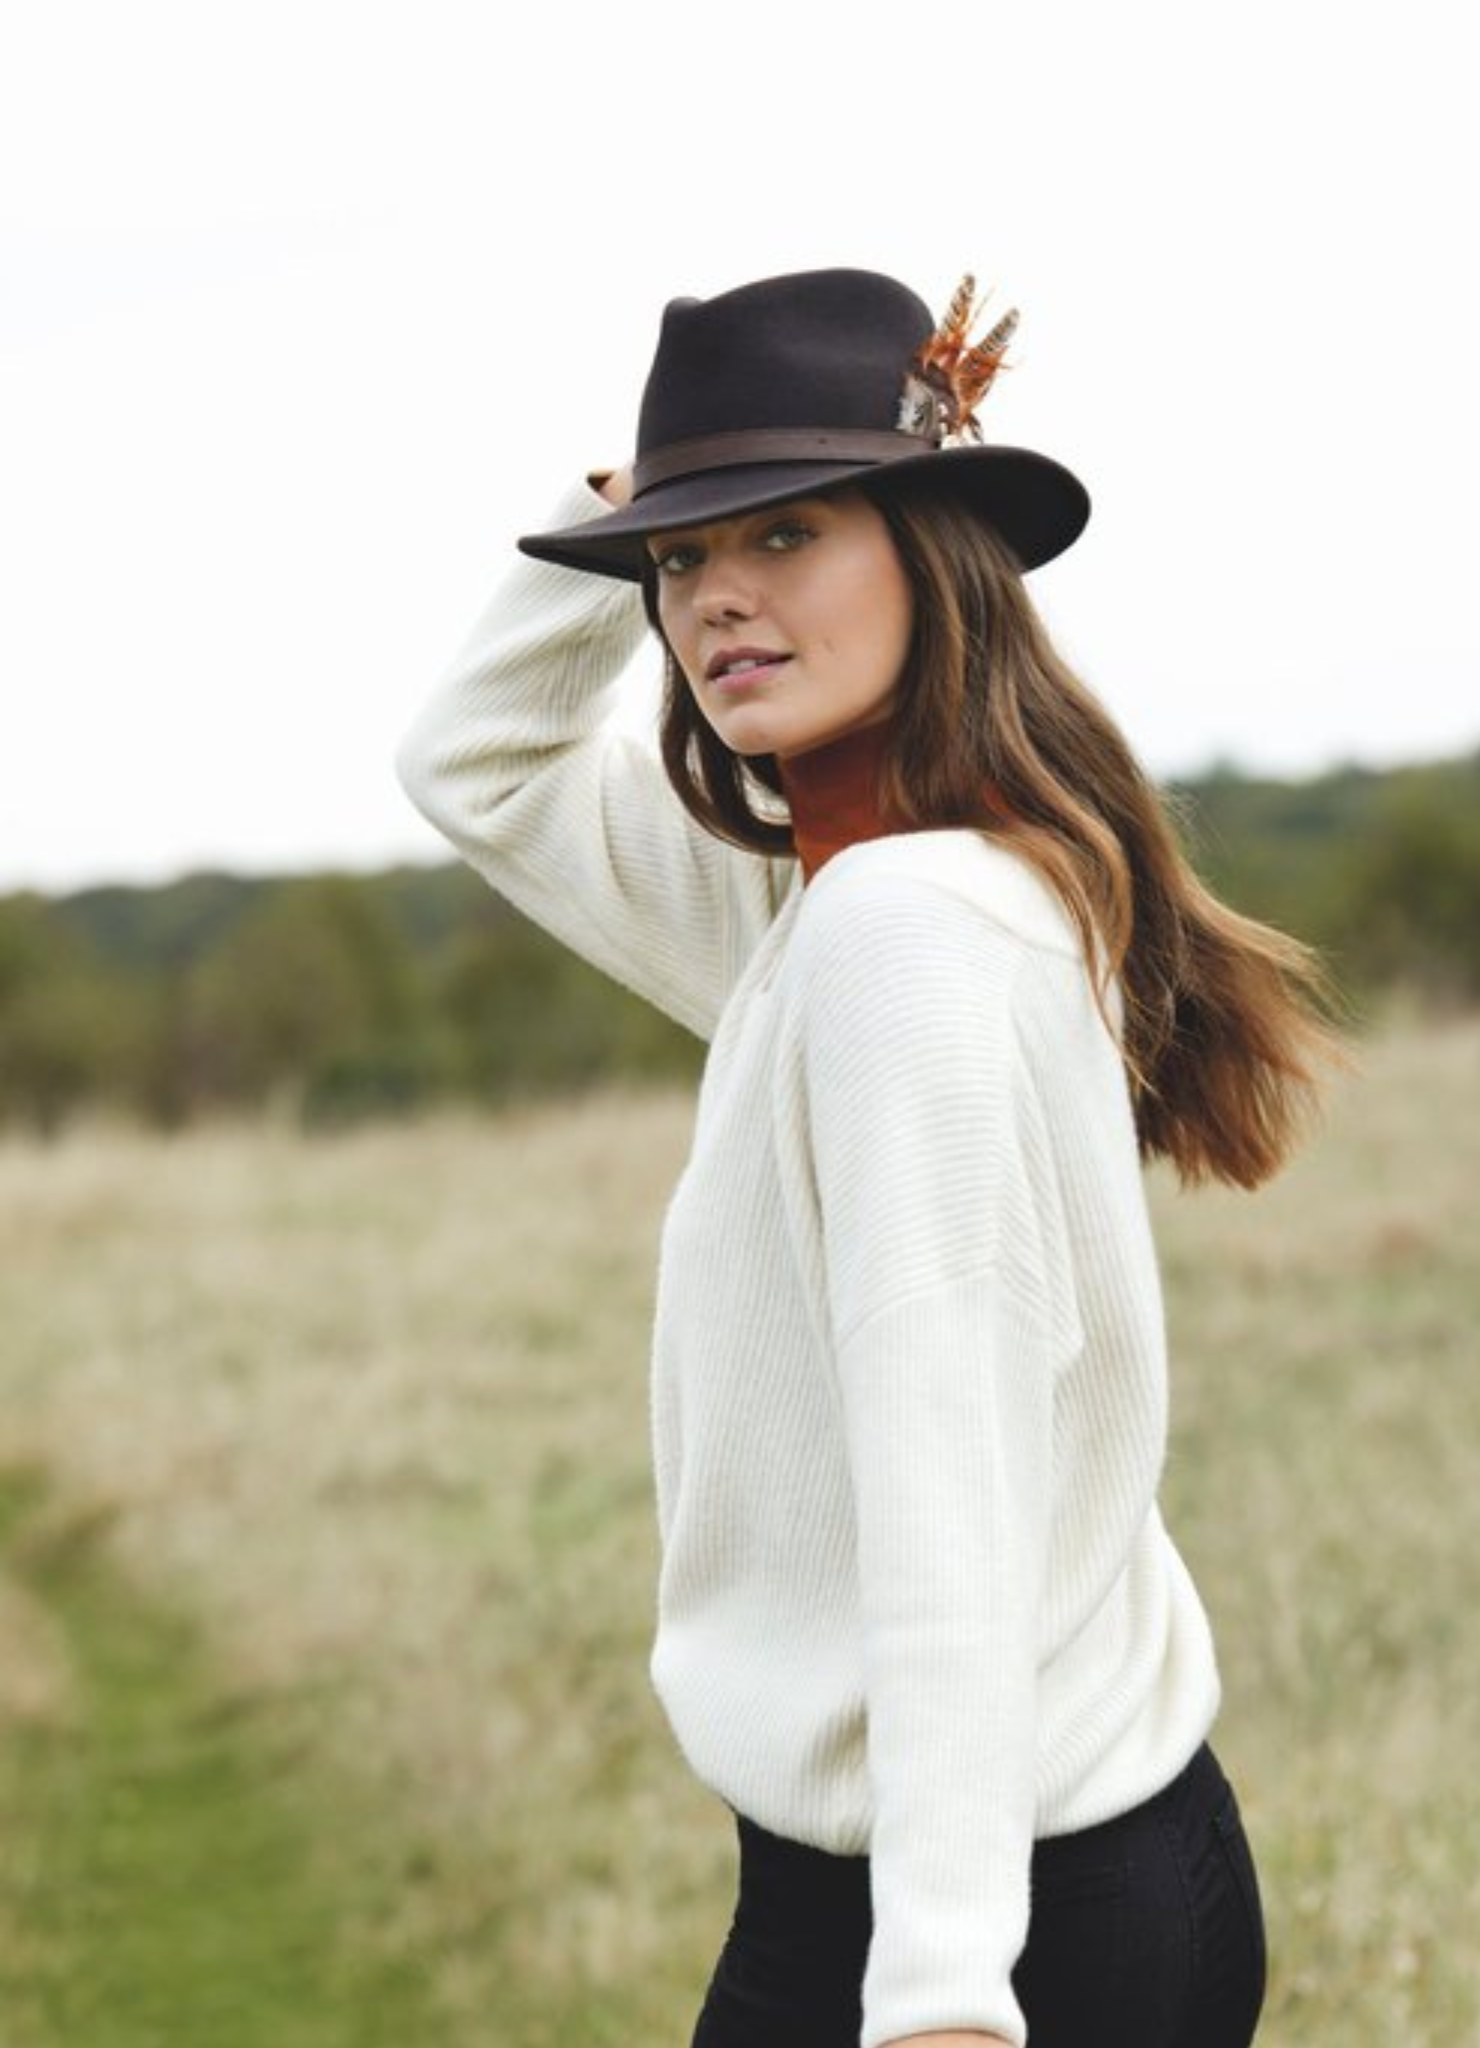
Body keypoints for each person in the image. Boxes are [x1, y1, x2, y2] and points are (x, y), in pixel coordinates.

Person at [397, 267, 1336, 2048]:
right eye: (681, 560)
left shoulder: (901, 935)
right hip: (965, 1881)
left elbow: (946, 1479)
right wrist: (605, 520)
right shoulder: (820, 898)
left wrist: (940, 1994)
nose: (716, 597)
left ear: (934, 551)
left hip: (995, 1923)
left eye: (788, 532)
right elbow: (477, 767)